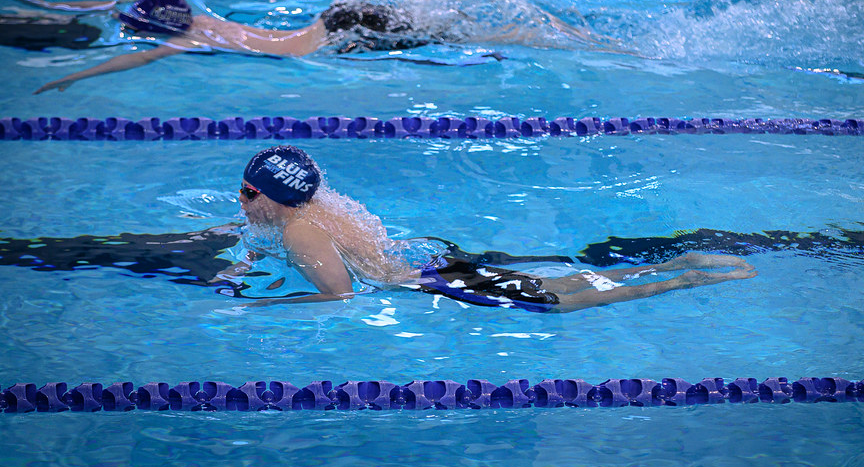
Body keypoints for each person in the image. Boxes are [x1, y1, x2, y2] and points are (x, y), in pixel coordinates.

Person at [225, 145, 756, 312]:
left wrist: (265, 305)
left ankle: (682, 278)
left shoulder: (301, 232)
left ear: (274, 198)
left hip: (430, 283)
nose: (241, 199)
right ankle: (673, 265)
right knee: (561, 283)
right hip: (433, 262)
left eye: (249, 193)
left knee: (559, 300)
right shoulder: (318, 204)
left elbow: (339, 296)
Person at [11, 0, 439, 94]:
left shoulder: (191, 41)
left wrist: (75, 76)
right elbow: (126, 0)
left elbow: (131, 62)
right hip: (332, 18)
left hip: (328, 46)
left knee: (436, 36)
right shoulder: (195, 15)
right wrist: (38, 0)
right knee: (431, 24)